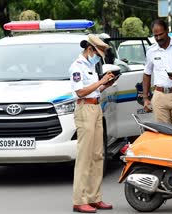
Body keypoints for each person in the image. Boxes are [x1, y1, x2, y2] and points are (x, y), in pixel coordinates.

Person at [69, 34, 115, 213]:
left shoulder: (91, 66)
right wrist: (100, 82)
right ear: (90, 50)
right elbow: (80, 92)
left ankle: (94, 197)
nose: (99, 58)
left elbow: (93, 91)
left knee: (98, 155)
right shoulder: (77, 67)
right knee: (84, 156)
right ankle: (79, 200)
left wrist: (106, 84)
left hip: (96, 108)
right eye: (98, 54)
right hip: (85, 110)